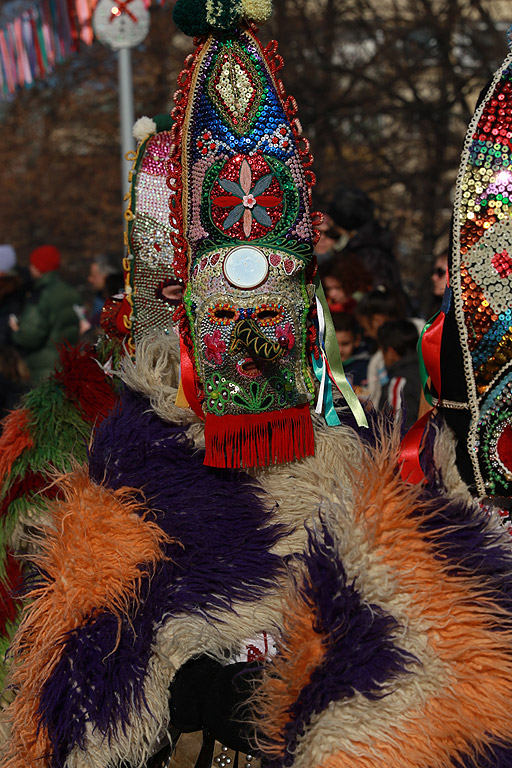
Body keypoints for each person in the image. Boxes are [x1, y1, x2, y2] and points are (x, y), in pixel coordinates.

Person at [4, 6, 512, 768]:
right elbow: (84, 701)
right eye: (223, 309)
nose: (247, 338)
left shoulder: (362, 478)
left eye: (273, 308)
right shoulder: (134, 495)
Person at [9, 245, 80, 385]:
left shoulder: (41, 295)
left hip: (43, 369)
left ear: (39, 267)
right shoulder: (72, 292)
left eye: (32, 264)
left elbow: (30, 336)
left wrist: (17, 331)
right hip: (68, 363)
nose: (30, 268)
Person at [377, 319, 421, 430]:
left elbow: (394, 427)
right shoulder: (425, 372)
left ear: (390, 352)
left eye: (382, 351)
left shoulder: (399, 381)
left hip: (409, 444)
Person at [332, 311, 369, 394]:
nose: (340, 350)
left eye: (345, 344)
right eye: (334, 345)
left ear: (357, 340)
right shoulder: (320, 367)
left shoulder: (366, 365)